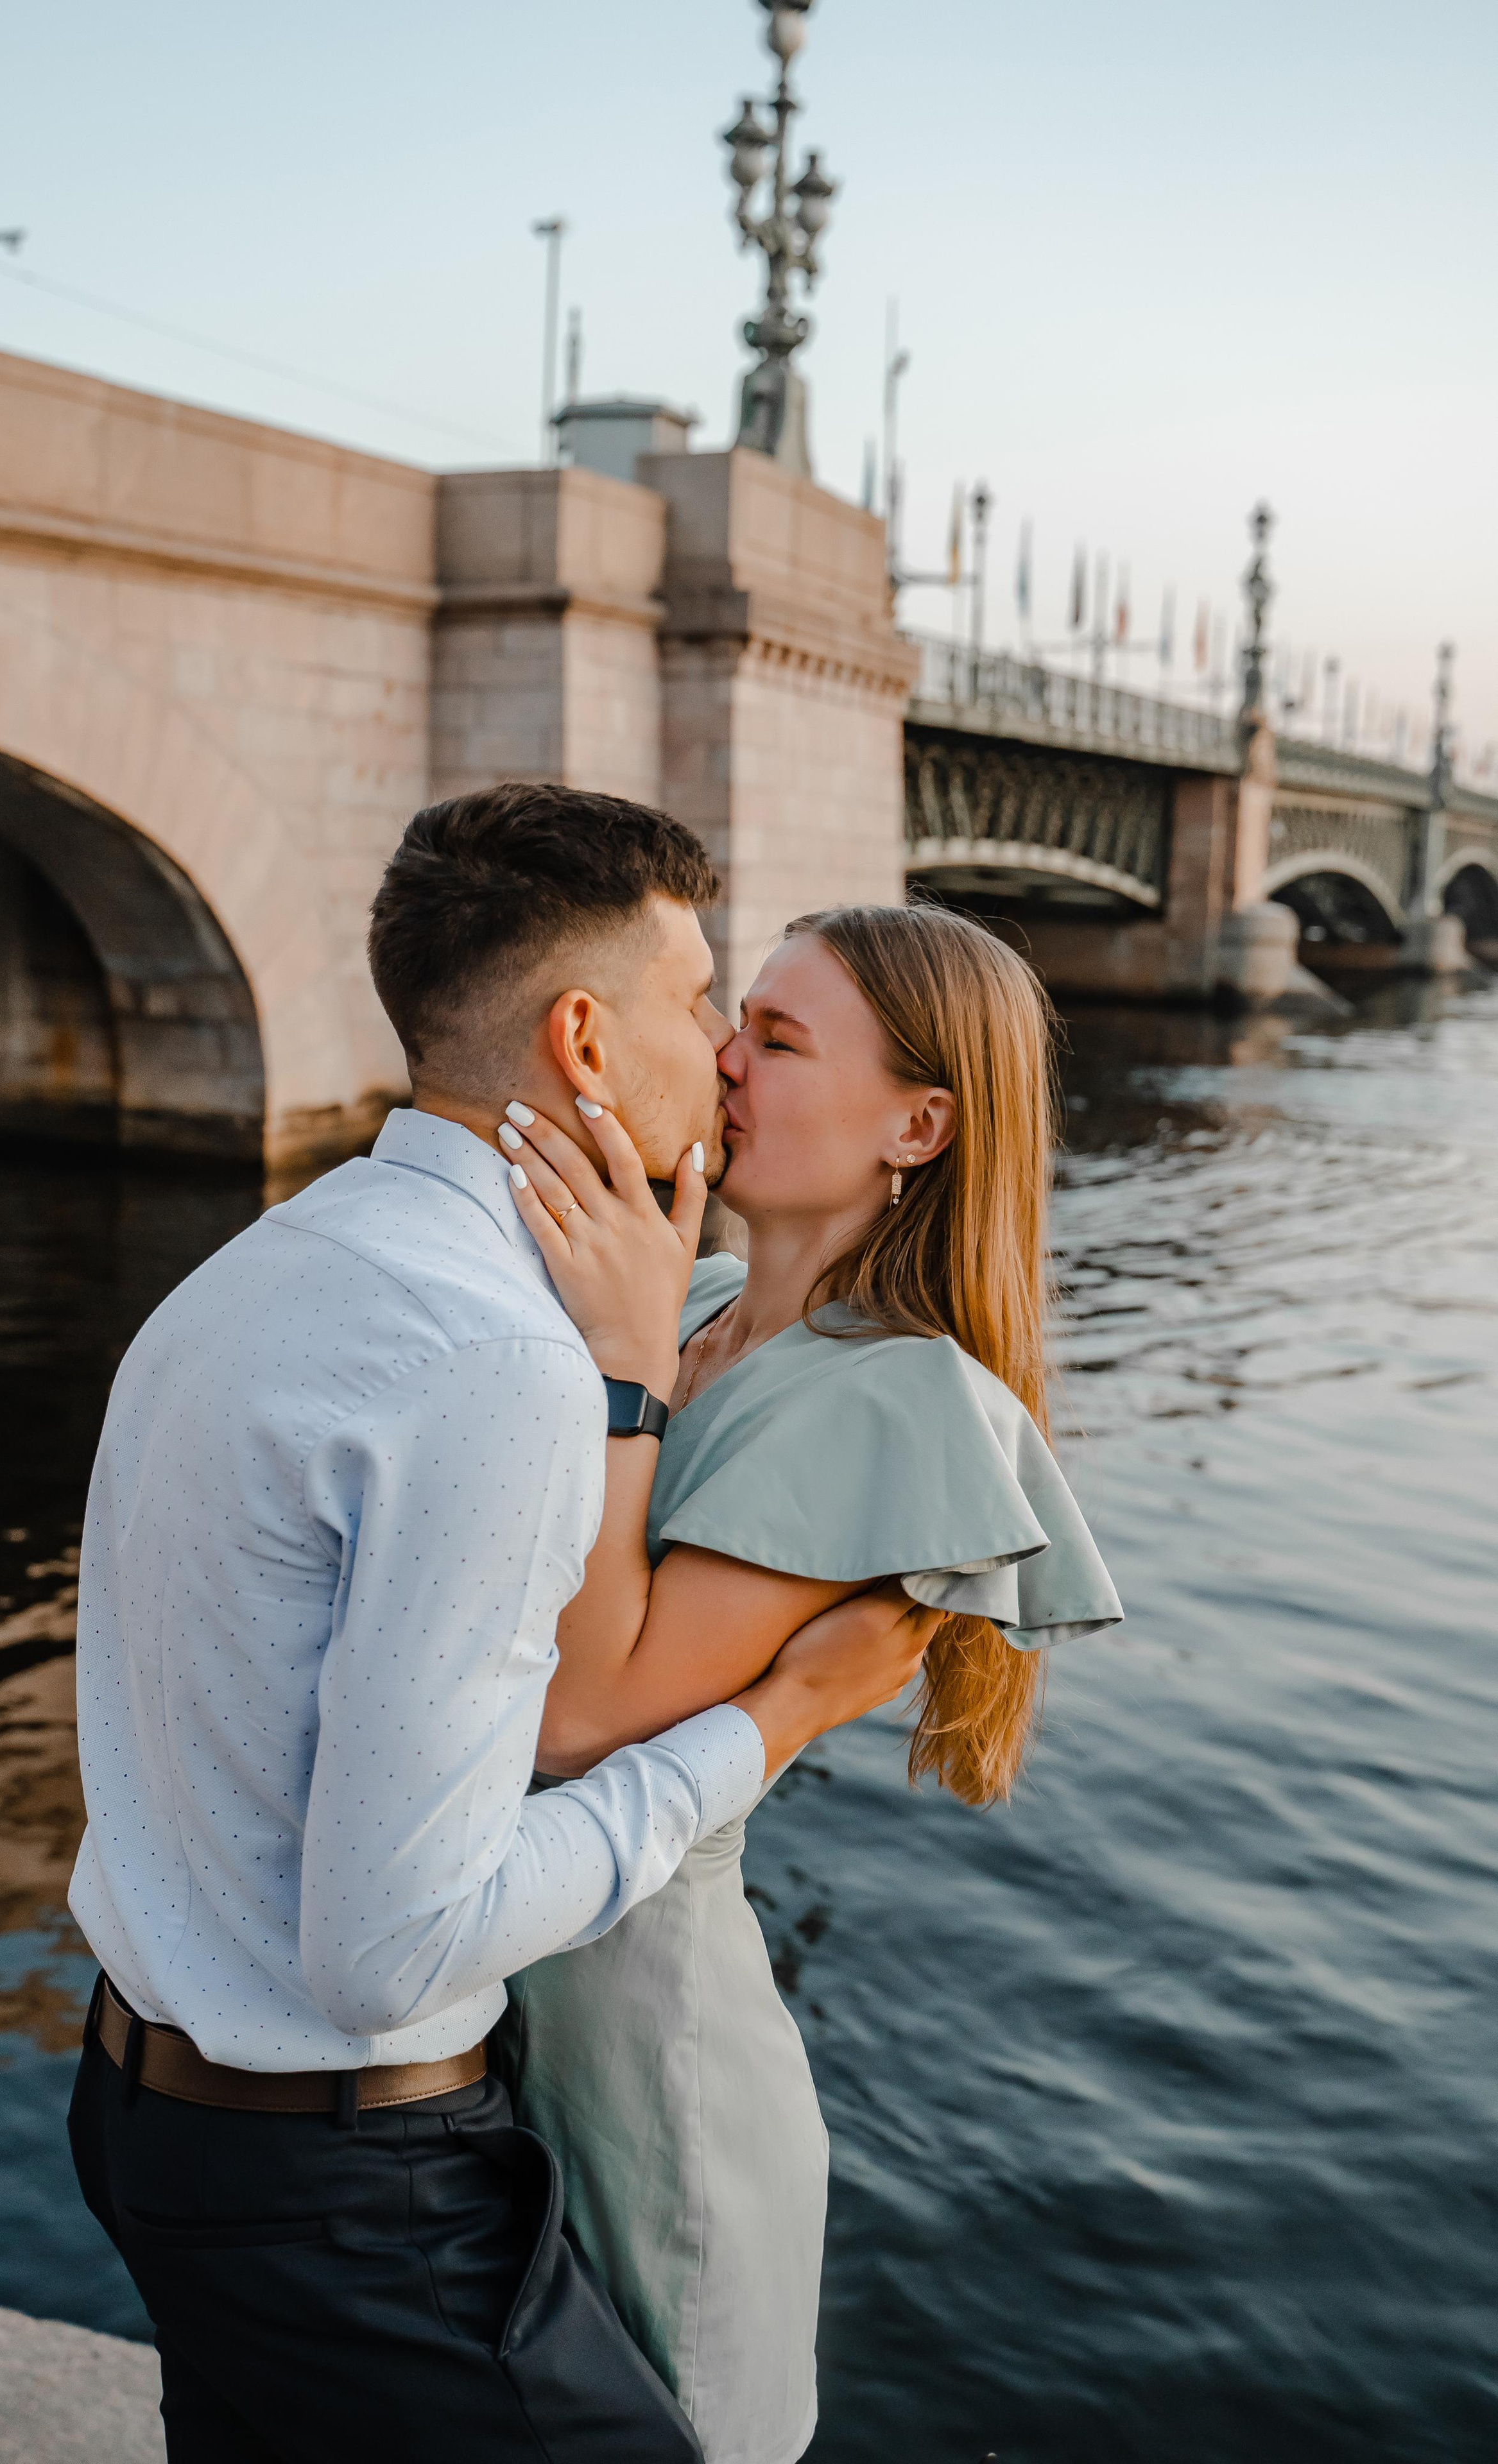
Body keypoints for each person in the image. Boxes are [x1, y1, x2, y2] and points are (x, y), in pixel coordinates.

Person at [64, 783, 940, 2464]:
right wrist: (774, 1719)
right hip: (344, 2195)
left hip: (142, 2112)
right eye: (702, 1002)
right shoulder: (498, 1362)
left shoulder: (264, 1262)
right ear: (585, 1040)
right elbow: (389, 1949)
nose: (723, 1052)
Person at [492, 899, 1123, 2464]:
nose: (723, 1056)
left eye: (776, 1039)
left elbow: (582, 1720)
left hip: (648, 2064)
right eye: (738, 1020)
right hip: (498, 1999)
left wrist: (618, 1372)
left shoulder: (895, 1395)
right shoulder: (698, 1306)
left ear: (918, 1127)